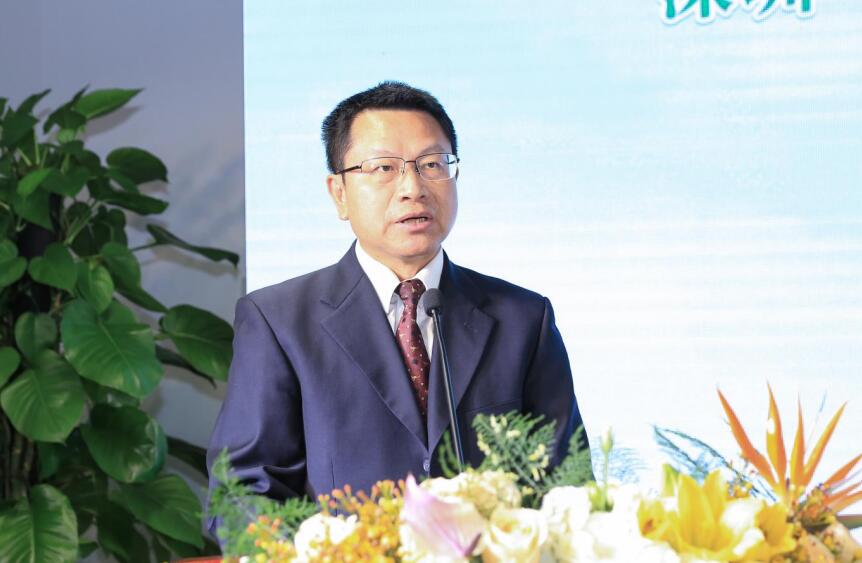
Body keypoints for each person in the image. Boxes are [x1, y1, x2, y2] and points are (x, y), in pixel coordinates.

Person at [206, 82, 586, 525]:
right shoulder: (279, 322)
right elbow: (243, 491)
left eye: (432, 164)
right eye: (383, 167)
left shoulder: (523, 319)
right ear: (339, 193)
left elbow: (567, 484)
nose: (413, 187)